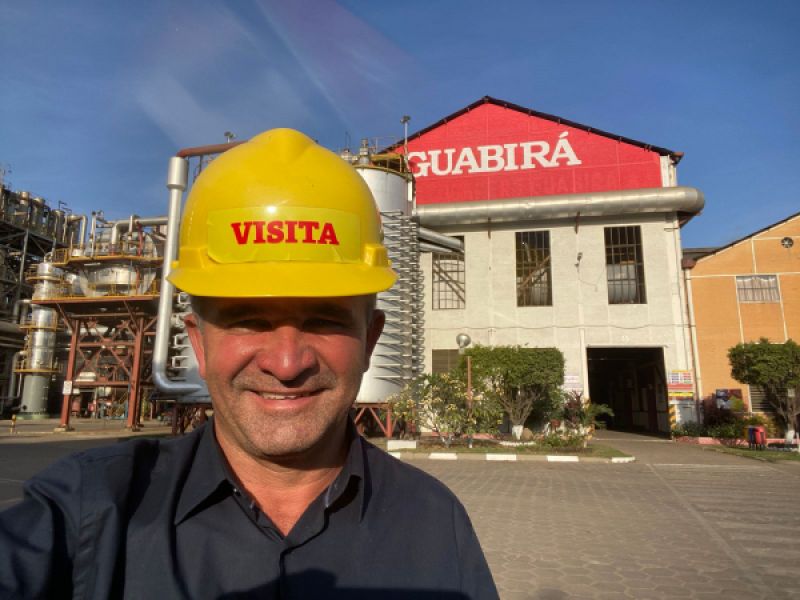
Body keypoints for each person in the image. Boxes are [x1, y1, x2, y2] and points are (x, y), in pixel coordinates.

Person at [0, 128, 498, 599]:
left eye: (324, 320)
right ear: (198, 342)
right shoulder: (88, 512)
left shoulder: (434, 524)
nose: (287, 363)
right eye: (248, 321)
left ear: (371, 339)